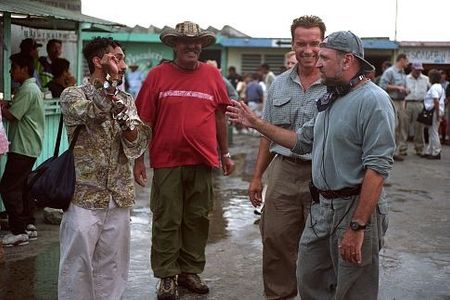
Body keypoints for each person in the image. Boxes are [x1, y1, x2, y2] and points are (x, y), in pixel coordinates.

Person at [227, 30, 395, 300]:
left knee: (354, 289)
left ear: (347, 60)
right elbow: (302, 141)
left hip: (353, 208)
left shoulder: (373, 101)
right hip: (322, 208)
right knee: (310, 280)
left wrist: (357, 227)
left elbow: (377, 170)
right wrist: (256, 123)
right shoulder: (332, 98)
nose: (317, 63)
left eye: (324, 58)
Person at [133, 21, 235, 300]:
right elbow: (144, 121)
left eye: (196, 42)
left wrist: (224, 153)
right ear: (174, 45)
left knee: (197, 218)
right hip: (167, 161)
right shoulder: (157, 76)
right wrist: (138, 159)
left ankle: (189, 271)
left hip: (203, 160)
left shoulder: (212, 75)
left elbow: (219, 116)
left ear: (201, 46)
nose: (191, 46)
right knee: (167, 219)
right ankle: (167, 276)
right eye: (185, 41)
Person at [57, 37, 150, 299]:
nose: (123, 65)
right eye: (116, 58)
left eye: (122, 59)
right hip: (84, 196)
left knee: (113, 266)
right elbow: (93, 113)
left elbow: (136, 144)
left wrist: (127, 124)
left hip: (118, 195)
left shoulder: (126, 99)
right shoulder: (72, 95)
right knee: (77, 266)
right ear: (98, 61)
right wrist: (109, 88)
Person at [248, 15, 327, 300]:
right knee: (275, 239)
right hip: (282, 171)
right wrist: (257, 177)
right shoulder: (279, 85)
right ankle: (279, 295)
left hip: (322, 173)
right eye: (301, 43)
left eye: (315, 43)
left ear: (323, 43)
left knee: (320, 245)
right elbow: (268, 135)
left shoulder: (335, 84)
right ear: (292, 44)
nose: (308, 50)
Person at [0, 53, 44, 247]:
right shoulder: (31, 88)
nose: (11, 72)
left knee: (8, 188)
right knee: (22, 186)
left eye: (14, 68)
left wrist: (2, 108)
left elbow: (12, 116)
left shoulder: (27, 89)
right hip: (29, 145)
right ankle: (27, 224)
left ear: (24, 69)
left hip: (23, 146)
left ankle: (18, 231)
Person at [379, 53, 409, 161]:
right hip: (392, 101)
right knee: (393, 126)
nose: (407, 63)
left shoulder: (403, 73)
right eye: (406, 61)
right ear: (401, 60)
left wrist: (406, 90)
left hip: (402, 102)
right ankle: (390, 152)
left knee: (402, 126)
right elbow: (382, 86)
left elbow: (404, 87)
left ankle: (399, 150)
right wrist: (397, 87)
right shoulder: (390, 71)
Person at [405, 62, 430, 155]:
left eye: (420, 70)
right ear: (412, 69)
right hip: (408, 103)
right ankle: (402, 148)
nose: (418, 71)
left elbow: (430, 91)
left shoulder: (426, 79)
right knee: (404, 126)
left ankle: (419, 148)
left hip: (420, 103)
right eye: (416, 69)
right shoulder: (406, 78)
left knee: (419, 127)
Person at [421, 69, 445, 159]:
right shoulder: (440, 87)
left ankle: (436, 152)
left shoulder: (434, 87)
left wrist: (438, 114)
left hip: (434, 111)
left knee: (434, 132)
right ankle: (430, 151)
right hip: (437, 110)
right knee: (432, 131)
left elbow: (436, 100)